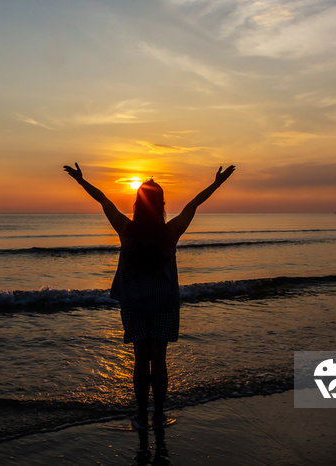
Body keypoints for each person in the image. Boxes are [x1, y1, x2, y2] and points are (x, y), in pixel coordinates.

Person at [63, 162, 235, 429]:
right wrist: (217, 183)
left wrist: (80, 180)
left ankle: (142, 415)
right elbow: (194, 204)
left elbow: (103, 200)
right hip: (164, 302)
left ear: (137, 203)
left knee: (141, 359)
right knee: (160, 359)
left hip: (134, 302)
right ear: (162, 204)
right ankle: (159, 415)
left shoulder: (126, 228)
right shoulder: (170, 231)